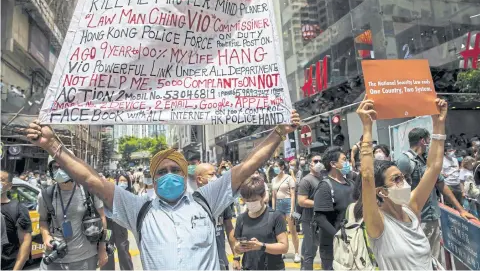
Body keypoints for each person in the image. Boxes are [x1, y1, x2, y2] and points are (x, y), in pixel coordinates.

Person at [25, 111, 300, 270]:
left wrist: (279, 132)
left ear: (185, 174)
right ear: (153, 179)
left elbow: (250, 163)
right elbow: (92, 180)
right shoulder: (139, 208)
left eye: (176, 170)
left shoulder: (206, 199)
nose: (170, 176)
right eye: (162, 172)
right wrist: (54, 147)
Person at [358, 97, 449, 270]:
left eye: (403, 177)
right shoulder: (377, 224)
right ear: (381, 192)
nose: (405, 182)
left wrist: (438, 124)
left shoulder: (411, 208)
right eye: (396, 180)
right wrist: (367, 128)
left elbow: (434, 167)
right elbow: (368, 176)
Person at [397, 126, 476, 262]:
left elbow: (441, 184)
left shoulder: (428, 160)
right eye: (428, 139)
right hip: (416, 219)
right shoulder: (405, 161)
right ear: (423, 141)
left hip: (432, 217)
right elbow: (396, 190)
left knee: (434, 258)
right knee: (419, 260)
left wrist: (461, 209)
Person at [37, 157, 108, 270]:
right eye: (56, 167)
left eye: (64, 166)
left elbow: (103, 218)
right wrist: (46, 237)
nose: (60, 170)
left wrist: (102, 248)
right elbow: (43, 220)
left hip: (85, 259)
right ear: (51, 170)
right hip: (54, 258)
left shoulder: (90, 191)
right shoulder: (45, 195)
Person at [312, 146, 354, 270]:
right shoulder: (325, 186)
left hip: (352, 243)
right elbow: (320, 218)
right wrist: (339, 236)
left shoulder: (350, 184)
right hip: (333, 247)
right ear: (333, 164)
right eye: (344, 159)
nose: (347, 163)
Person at [233, 175, 289, 270]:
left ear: (263, 196)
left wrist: (262, 246)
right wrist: (238, 250)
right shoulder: (241, 219)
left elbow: (284, 247)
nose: (251, 203)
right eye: (247, 201)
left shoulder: (275, 216)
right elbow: (236, 246)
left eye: (254, 200)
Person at [195, 163, 236, 270]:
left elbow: (229, 228)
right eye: (211, 175)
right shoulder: (192, 202)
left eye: (215, 174)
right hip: (201, 264)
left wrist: (236, 256)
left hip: (221, 260)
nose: (215, 178)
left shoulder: (221, 200)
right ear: (200, 179)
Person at [1, 169, 32, 270]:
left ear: (9, 186)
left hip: (7, 265)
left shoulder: (18, 209)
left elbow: (25, 242)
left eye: (1, 180)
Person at [102, 172, 134, 271]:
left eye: (125, 181)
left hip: (121, 227)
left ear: (128, 182)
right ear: (117, 181)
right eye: (121, 180)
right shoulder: (111, 191)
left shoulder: (130, 195)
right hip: (108, 227)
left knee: (123, 250)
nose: (123, 183)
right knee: (108, 249)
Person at [271, 159, 301, 263]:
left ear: (282, 167)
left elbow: (293, 195)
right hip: (278, 205)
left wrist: (292, 209)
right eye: (274, 166)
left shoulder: (289, 178)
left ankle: (296, 252)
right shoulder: (273, 180)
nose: (275, 168)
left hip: (288, 204)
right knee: (281, 231)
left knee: (292, 230)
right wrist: (273, 210)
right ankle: (283, 250)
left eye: (277, 166)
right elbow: (273, 196)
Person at [297, 153, 323, 270]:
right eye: (315, 161)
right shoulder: (306, 180)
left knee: (312, 247)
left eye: (320, 161)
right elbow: (301, 201)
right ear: (310, 164)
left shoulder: (323, 178)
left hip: (321, 219)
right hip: (309, 220)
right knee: (310, 250)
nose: (318, 163)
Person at [442, 142, 463, 207]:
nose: (452, 152)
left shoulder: (455, 159)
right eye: (450, 150)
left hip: (457, 183)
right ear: (445, 152)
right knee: (449, 203)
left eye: (452, 150)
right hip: (448, 184)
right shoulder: (442, 160)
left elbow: (458, 169)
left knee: (459, 203)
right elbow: (442, 173)